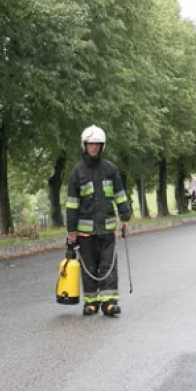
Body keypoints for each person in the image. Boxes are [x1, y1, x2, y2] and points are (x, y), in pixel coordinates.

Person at [66, 125, 132, 317]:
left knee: (108, 266)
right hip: (85, 232)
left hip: (107, 229)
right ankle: (91, 302)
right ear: (84, 146)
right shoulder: (77, 173)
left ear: (102, 146)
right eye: (91, 144)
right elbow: (71, 204)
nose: (94, 148)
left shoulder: (110, 169)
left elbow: (120, 195)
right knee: (89, 268)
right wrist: (71, 230)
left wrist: (125, 217)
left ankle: (109, 302)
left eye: (97, 144)